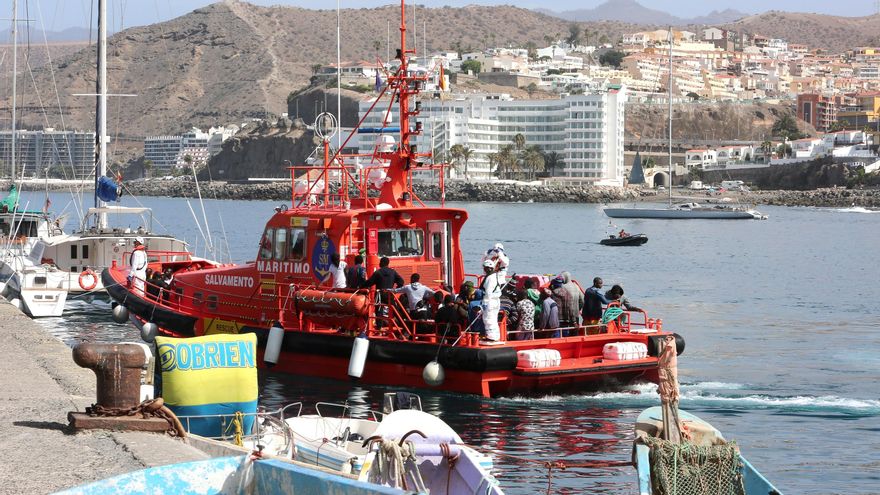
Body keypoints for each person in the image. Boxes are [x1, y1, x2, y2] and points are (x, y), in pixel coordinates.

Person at [360, 256, 404, 328]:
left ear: (382, 263)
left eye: (380, 262)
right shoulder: (393, 272)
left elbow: (369, 282)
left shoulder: (378, 272)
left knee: (379, 310)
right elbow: (401, 281)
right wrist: (395, 290)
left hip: (379, 294)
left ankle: (379, 327)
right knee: (395, 310)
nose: (379, 263)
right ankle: (403, 326)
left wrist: (361, 287)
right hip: (390, 294)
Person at [480, 258, 503, 342]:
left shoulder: (490, 278)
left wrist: (485, 303)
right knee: (493, 319)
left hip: (490, 301)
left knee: (488, 319)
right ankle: (495, 336)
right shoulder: (495, 276)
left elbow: (488, 292)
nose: (484, 270)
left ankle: (491, 337)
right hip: (495, 300)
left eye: (485, 268)